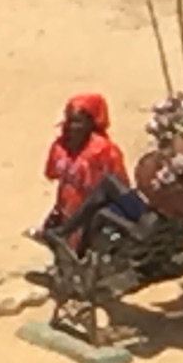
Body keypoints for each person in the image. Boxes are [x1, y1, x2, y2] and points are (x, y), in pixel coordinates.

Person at [39, 91, 155, 248]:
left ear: (91, 123)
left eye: (77, 122)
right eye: (69, 120)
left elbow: (118, 189)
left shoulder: (103, 150)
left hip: (96, 216)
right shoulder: (60, 147)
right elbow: (59, 179)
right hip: (68, 210)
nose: (71, 127)